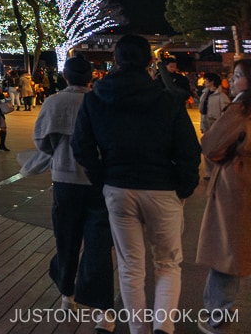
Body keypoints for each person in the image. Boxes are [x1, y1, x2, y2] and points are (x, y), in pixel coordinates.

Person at [72, 34, 201, 334]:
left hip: (118, 186)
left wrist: (102, 178)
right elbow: (189, 149)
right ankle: (163, 327)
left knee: (130, 266)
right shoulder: (167, 99)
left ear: (116, 59)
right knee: (168, 264)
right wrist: (185, 186)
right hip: (162, 188)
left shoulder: (95, 97)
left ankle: (137, 329)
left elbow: (82, 146)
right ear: (149, 61)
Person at [33, 56, 115, 328]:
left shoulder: (54, 102)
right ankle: (104, 310)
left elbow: (41, 141)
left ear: (65, 77)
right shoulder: (101, 101)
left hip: (65, 178)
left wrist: (58, 151)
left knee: (66, 237)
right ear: (91, 76)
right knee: (99, 244)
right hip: (98, 182)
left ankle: (67, 292)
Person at [196, 59, 250, 334]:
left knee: (228, 253)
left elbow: (210, 145)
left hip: (237, 190)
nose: (234, 78)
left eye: (238, 75)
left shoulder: (241, 109)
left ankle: (218, 316)